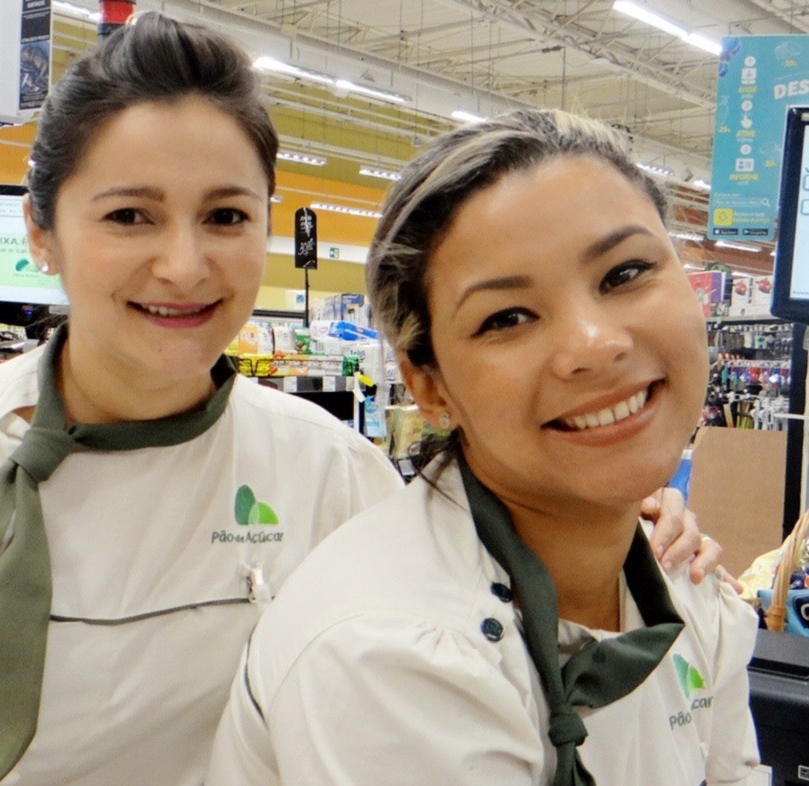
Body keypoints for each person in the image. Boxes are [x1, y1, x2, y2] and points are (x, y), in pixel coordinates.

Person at [0, 15, 717, 786]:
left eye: (227, 216)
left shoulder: (332, 472)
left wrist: (630, 522)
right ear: (41, 233)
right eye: (129, 216)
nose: (184, 265)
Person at [207, 108, 759, 785]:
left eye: (624, 273)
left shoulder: (690, 590)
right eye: (508, 317)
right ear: (429, 384)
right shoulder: (388, 654)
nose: (594, 344)